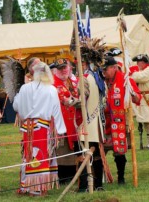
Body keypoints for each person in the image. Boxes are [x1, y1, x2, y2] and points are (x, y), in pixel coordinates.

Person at [13, 61, 66, 196]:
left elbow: (16, 107)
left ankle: (27, 187)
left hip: (28, 128)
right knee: (41, 156)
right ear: (48, 74)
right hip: (43, 127)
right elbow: (56, 111)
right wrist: (60, 129)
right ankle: (38, 189)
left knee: (29, 156)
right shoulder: (51, 89)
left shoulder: (25, 88)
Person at [102, 56, 141, 184]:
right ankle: (100, 178)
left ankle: (121, 178)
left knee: (119, 151)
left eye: (105, 69)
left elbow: (137, 99)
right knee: (101, 150)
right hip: (104, 123)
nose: (103, 72)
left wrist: (132, 93)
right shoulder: (101, 80)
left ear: (114, 68)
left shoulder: (125, 80)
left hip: (119, 122)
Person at [75, 55, 106, 192]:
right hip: (96, 121)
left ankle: (84, 187)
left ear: (85, 64)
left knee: (83, 154)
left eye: (79, 63)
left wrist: (68, 101)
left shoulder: (85, 78)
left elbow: (81, 100)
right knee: (97, 154)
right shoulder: (98, 77)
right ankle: (98, 185)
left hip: (86, 123)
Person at [53, 58, 80, 185]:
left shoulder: (73, 82)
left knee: (74, 148)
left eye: (65, 67)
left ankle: (74, 175)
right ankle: (63, 177)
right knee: (62, 150)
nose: (63, 70)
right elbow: (63, 100)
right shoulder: (53, 84)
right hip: (60, 122)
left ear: (69, 68)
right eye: (60, 68)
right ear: (56, 70)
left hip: (75, 121)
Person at [131, 54, 149, 149]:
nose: (138, 64)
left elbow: (139, 78)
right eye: (138, 62)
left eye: (140, 62)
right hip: (144, 96)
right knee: (146, 121)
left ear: (144, 62)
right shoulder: (143, 70)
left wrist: (132, 73)